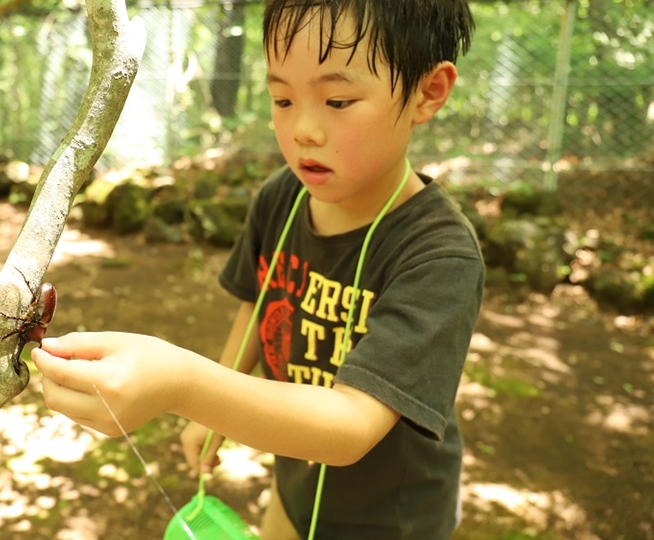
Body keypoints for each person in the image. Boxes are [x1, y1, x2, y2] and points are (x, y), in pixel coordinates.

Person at [32, 0, 482, 537]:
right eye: (282, 98)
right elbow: (260, 300)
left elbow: (351, 426)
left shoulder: (438, 256)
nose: (303, 130)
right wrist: (213, 407)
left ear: (427, 93)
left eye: (338, 99)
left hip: (394, 518)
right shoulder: (282, 198)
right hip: (294, 481)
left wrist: (184, 386)